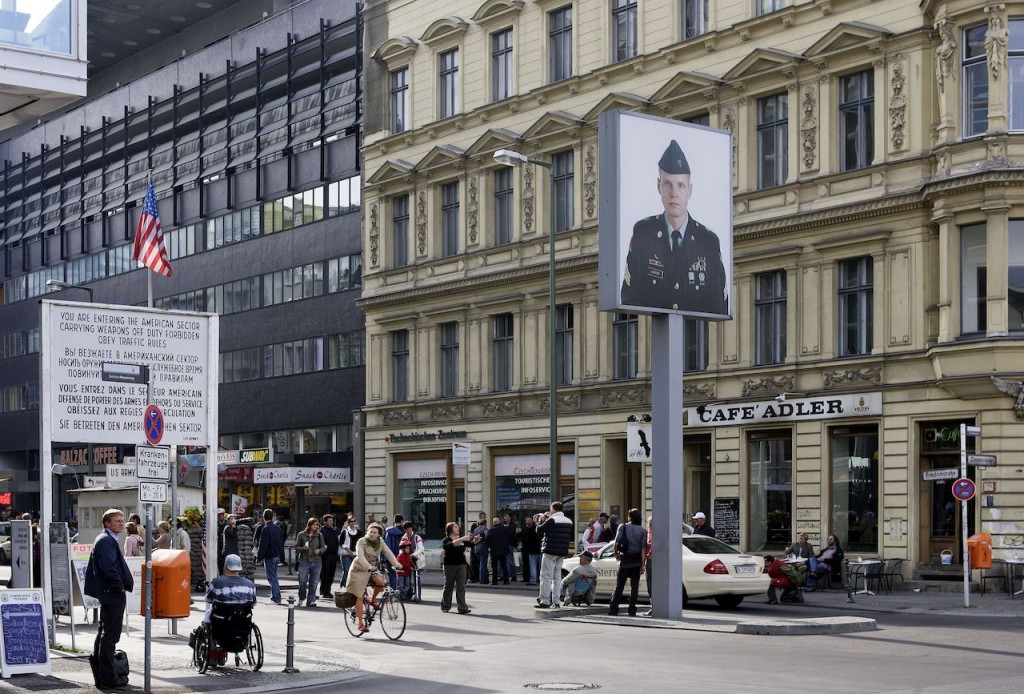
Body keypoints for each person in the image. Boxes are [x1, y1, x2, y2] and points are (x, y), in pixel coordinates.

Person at [620, 139, 728, 315]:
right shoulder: (643, 234)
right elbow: (629, 298)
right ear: (658, 186)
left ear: (690, 190)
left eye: (680, 185)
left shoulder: (708, 241)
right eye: (667, 184)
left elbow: (719, 305)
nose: (673, 193)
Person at [84, 509, 134, 689]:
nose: (121, 523)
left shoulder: (107, 539)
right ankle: (107, 677)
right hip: (112, 593)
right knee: (110, 636)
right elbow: (108, 567)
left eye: (122, 520)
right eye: (116, 521)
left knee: (105, 634)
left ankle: (103, 673)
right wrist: (119, 586)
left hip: (109, 592)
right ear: (107, 523)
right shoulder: (105, 541)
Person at [344, 522, 401, 633]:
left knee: (381, 583)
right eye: (370, 531)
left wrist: (397, 564)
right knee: (359, 596)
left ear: (379, 535)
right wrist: (369, 566)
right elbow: (360, 556)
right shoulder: (361, 541)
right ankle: (361, 624)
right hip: (359, 569)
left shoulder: (380, 542)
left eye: (374, 532)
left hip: (372, 568)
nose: (372, 534)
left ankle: (372, 600)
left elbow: (388, 553)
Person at [608, 508, 647, 616]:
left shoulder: (622, 526)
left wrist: (616, 554)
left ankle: (614, 609)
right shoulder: (643, 531)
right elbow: (644, 549)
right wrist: (643, 564)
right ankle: (632, 610)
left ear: (629, 517)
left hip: (625, 559)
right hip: (636, 560)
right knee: (634, 587)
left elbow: (616, 543)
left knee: (619, 585)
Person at [536, 501, 573, 608]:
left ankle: (545, 600)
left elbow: (539, 530)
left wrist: (540, 520)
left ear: (554, 509)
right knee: (557, 577)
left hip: (550, 551)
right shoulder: (569, 521)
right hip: (562, 551)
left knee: (546, 576)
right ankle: (556, 601)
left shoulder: (553, 520)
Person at [203, 553, 256, 623]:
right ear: (240, 567)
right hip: (243, 621)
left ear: (225, 566)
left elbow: (208, 599)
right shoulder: (250, 585)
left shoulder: (217, 582)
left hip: (221, 622)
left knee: (207, 615)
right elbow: (253, 603)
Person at [440, 521, 472, 614]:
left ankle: (462, 607)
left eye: (458, 527)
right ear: (450, 529)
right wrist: (462, 539)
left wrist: (475, 540)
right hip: (450, 566)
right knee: (448, 586)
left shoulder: (460, 540)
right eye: (455, 527)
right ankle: (446, 605)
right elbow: (449, 546)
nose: (458, 528)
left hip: (461, 565)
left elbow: (470, 544)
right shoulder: (446, 539)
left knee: (461, 586)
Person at [256, 508, 284, 605]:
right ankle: (276, 596)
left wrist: (259, 557)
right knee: (274, 576)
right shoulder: (278, 528)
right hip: (276, 554)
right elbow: (281, 542)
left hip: (269, 556)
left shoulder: (265, 529)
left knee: (271, 577)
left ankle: (276, 598)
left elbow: (263, 545)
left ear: (264, 517)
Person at [296, 517, 324, 607]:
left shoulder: (319, 535)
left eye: (317, 525)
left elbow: (324, 547)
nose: (316, 526)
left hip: (317, 561)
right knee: (302, 580)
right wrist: (303, 548)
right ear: (310, 525)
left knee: (314, 582)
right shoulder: (301, 535)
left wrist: (319, 550)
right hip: (304, 560)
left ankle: (311, 600)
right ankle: (302, 596)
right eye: (314, 524)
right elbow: (296, 547)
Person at [402, 521, 425, 602]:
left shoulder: (416, 537)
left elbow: (421, 548)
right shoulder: (404, 538)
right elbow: (401, 549)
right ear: (404, 530)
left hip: (416, 561)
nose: (409, 531)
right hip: (407, 561)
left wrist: (413, 554)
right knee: (407, 578)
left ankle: (418, 595)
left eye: (410, 529)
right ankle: (409, 594)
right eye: (407, 530)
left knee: (417, 578)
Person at [319, 514, 341, 599]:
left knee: (331, 573)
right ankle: (323, 591)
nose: (331, 523)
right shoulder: (322, 531)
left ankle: (328, 591)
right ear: (325, 522)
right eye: (329, 521)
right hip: (325, 555)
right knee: (324, 573)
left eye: (332, 521)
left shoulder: (336, 530)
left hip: (334, 554)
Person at [486, 516, 510, 585]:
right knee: (504, 566)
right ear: (499, 522)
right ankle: (506, 581)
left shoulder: (491, 530)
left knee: (494, 567)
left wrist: (490, 546)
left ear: (494, 523)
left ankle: (494, 581)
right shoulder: (505, 529)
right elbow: (509, 538)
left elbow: (487, 540)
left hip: (494, 551)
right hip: (503, 550)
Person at [339, 516, 362, 588]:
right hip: (346, 554)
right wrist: (348, 550)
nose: (353, 523)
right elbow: (341, 543)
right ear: (348, 523)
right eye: (351, 521)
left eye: (354, 521)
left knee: (354, 571)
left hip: (356, 554)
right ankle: (343, 586)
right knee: (346, 571)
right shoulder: (345, 531)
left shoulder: (359, 532)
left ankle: (350, 587)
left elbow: (360, 542)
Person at [384, 515, 405, 589]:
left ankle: (394, 591)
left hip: (391, 556)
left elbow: (386, 545)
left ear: (394, 521)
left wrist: (385, 558)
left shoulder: (389, 531)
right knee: (402, 574)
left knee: (392, 574)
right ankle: (401, 592)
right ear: (402, 521)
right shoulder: (404, 531)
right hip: (402, 556)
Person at [521, 514, 541, 585]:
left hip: (533, 549)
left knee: (533, 565)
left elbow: (529, 539)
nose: (528, 521)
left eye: (529, 520)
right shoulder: (538, 528)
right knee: (538, 566)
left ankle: (533, 580)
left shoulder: (532, 529)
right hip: (537, 549)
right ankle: (538, 579)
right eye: (527, 520)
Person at [471, 515, 490, 584]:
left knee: (481, 564)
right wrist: (485, 540)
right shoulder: (485, 529)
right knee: (483, 564)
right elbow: (487, 536)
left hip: (476, 548)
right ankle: (482, 580)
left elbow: (472, 537)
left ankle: (485, 578)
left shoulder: (476, 529)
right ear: (485, 523)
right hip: (483, 548)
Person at [502, 512, 519, 582]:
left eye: (507, 516)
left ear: (510, 517)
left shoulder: (513, 525)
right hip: (503, 545)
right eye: (505, 516)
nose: (506, 518)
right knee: (503, 561)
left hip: (510, 544)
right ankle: (503, 575)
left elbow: (512, 535)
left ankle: (513, 575)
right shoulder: (502, 525)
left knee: (510, 560)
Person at [643, 515, 654, 616]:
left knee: (651, 585)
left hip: (651, 561)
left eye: (649, 524)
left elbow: (647, 550)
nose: (648, 526)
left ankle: (653, 607)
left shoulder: (650, 536)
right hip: (654, 562)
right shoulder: (649, 535)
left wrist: (643, 562)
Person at [216, 508, 227, 574]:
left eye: (222, 515)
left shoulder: (226, 523)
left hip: (225, 545)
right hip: (218, 545)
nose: (221, 517)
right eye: (219, 515)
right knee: (219, 562)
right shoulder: (216, 524)